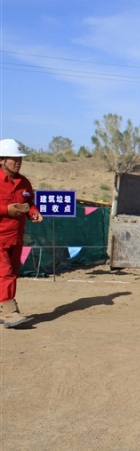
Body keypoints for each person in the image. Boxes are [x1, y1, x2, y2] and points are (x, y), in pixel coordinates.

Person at [0, 138, 43, 328]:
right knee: (5, 273)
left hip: (16, 237)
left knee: (12, 273)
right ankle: (10, 312)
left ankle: (4, 308)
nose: (18, 162)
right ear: (2, 159)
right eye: (13, 159)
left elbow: (30, 203)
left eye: (20, 159)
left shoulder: (24, 183)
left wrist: (33, 213)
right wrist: (5, 210)